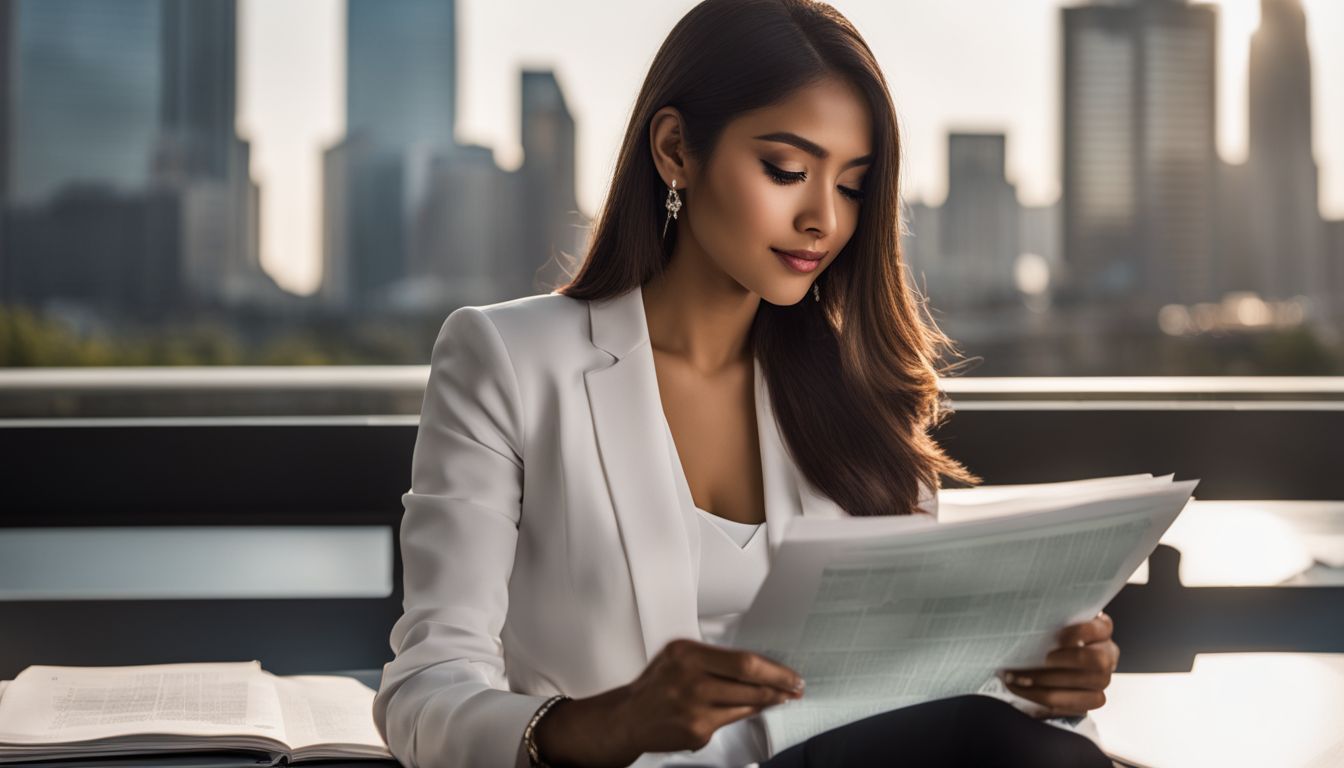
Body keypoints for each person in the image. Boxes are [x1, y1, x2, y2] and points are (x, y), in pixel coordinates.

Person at [372, 0, 1119, 765]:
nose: (822, 219)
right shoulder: (507, 360)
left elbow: (908, 691)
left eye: (853, 186)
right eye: (787, 171)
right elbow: (426, 692)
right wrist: (608, 723)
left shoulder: (860, 395)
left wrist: (1036, 682)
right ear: (675, 151)